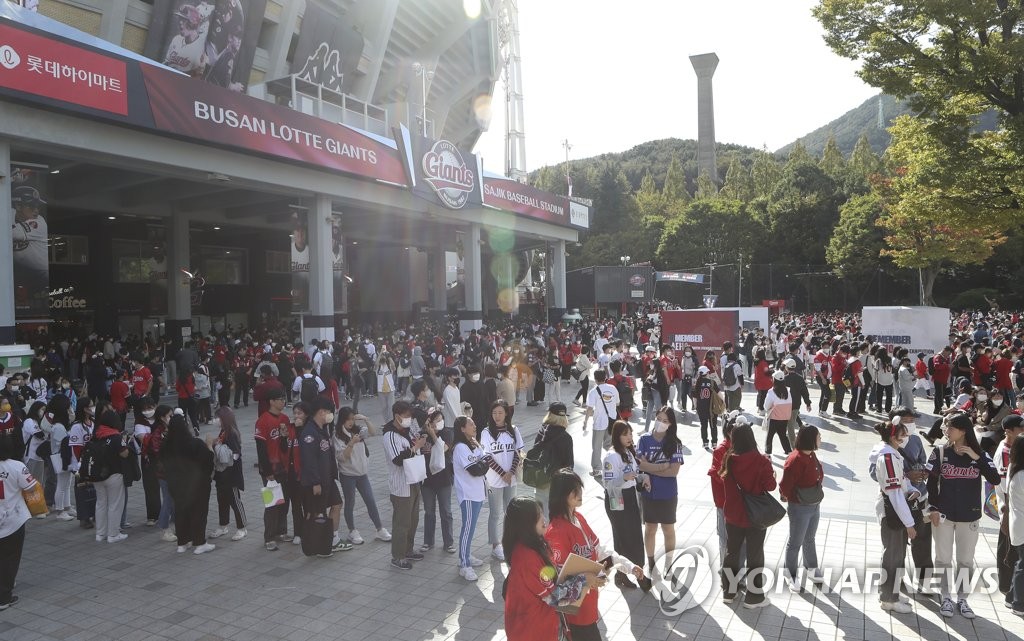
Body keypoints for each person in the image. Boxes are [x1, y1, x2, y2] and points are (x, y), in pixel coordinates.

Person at [545, 469, 643, 641]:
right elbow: (558, 583)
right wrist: (586, 579)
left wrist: (628, 566)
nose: (580, 493)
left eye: (580, 488)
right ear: (562, 495)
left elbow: (599, 551)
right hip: (574, 614)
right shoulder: (556, 532)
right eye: (574, 490)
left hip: (588, 607)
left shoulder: (579, 518)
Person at [927, 412, 1001, 618]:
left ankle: (963, 599)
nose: (946, 431)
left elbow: (995, 479)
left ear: (963, 431)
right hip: (943, 514)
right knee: (943, 558)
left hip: (970, 516)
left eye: (950, 428)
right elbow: (931, 483)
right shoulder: (940, 452)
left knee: (966, 560)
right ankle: (945, 597)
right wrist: (932, 508)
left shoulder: (981, 455)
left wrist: (976, 457)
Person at [503, 496, 608, 641]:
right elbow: (554, 597)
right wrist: (584, 580)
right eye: (538, 516)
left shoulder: (534, 546)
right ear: (526, 523)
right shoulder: (527, 557)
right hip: (532, 632)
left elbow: (552, 579)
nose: (544, 518)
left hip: (542, 627)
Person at [719, 422, 776, 608]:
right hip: (755, 518)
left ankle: (729, 592)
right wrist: (772, 474)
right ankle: (754, 597)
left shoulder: (729, 458)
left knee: (732, 553)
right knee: (755, 556)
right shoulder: (761, 461)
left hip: (733, 515)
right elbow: (771, 486)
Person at [871, 416, 918, 614]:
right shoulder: (888, 457)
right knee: (892, 555)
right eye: (901, 436)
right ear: (892, 438)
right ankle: (888, 598)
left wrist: (912, 489)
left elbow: (901, 485)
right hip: (893, 511)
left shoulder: (893, 455)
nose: (905, 438)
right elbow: (895, 493)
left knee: (897, 555)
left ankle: (893, 592)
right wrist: (909, 523)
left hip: (896, 509)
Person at [298, 397, 351, 555]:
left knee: (337, 504)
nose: (331, 415)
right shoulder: (309, 433)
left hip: (328, 479)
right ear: (322, 412)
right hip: (316, 482)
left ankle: (333, 539)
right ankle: (317, 544)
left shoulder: (322, 429)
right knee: (317, 513)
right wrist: (315, 482)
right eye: (330, 412)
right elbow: (309, 460)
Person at [602, 420, 651, 590]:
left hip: (630, 497)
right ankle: (627, 575)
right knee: (623, 537)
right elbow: (608, 484)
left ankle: (630, 573)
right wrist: (624, 478)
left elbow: (635, 473)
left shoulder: (629, 453)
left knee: (635, 536)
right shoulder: (611, 456)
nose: (629, 437)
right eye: (625, 434)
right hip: (616, 498)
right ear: (617, 436)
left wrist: (643, 478)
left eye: (630, 433)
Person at [636, 406, 683, 576]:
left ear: (670, 424)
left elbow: (674, 471)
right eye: (659, 419)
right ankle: (651, 562)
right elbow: (639, 464)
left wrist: (650, 467)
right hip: (649, 492)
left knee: (668, 529)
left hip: (668, 493)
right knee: (650, 528)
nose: (661, 423)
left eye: (665, 421)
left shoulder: (675, 443)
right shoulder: (644, 440)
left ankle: (669, 563)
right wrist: (662, 466)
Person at [334, 407, 390, 545]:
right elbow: (342, 457)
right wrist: (351, 443)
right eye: (348, 419)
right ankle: (352, 531)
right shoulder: (337, 435)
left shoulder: (357, 430)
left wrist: (365, 419)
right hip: (348, 475)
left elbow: (372, 432)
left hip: (362, 473)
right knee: (350, 502)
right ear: (342, 419)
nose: (351, 422)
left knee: (370, 500)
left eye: (353, 418)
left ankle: (380, 529)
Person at [162, 411, 216, 554]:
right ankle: (200, 543)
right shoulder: (195, 444)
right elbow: (208, 462)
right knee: (199, 512)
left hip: (176, 486)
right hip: (197, 486)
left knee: (181, 512)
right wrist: (210, 446)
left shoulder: (166, 446)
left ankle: (182, 542)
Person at [383, 400, 428, 570]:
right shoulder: (390, 435)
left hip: (414, 479)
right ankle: (398, 556)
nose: (409, 419)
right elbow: (397, 459)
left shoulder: (406, 431)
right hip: (401, 484)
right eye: (406, 416)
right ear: (397, 416)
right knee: (402, 522)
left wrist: (417, 441)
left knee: (413, 520)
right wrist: (416, 447)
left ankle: (408, 550)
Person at [779, 425, 825, 591]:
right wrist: (786, 496)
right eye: (819, 436)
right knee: (795, 542)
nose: (821, 439)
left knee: (809, 538)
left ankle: (811, 568)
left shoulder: (811, 455)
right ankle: (789, 573)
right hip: (800, 507)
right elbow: (785, 485)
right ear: (810, 439)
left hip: (814, 504)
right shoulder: (795, 459)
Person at [254, 389, 302, 551]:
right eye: (280, 399)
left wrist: (283, 436)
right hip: (269, 471)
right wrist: (267, 472)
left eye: (284, 399)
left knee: (284, 502)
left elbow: (284, 446)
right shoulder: (262, 421)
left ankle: (281, 531)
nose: (283, 402)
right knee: (271, 504)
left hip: (284, 469)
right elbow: (260, 449)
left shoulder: (285, 419)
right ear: (271, 402)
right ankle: (269, 537)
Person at [481, 399, 523, 562]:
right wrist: (502, 473)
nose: (497, 416)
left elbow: (518, 452)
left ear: (506, 413)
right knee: (495, 513)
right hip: (494, 479)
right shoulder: (486, 432)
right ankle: (495, 545)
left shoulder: (513, 430)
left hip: (510, 479)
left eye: (500, 412)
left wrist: (510, 472)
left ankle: (510, 542)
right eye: (494, 413)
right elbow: (486, 456)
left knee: (511, 512)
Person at [0, 432, 38, 610]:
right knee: (11, 557)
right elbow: (31, 487)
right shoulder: (16, 466)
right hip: (13, 519)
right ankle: (4, 595)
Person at [452, 415, 489, 581]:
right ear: (462, 429)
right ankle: (464, 564)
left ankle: (466, 555)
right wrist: (482, 464)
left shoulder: (474, 444)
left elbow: (485, 462)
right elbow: (475, 470)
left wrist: (482, 464)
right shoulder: (460, 448)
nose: (475, 426)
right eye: (471, 424)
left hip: (478, 492)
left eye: (474, 423)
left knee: (471, 527)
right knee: (467, 528)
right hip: (467, 494)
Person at [996, 414, 1024, 602]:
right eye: (1021, 429)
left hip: (1013, 510)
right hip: (1009, 509)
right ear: (1009, 432)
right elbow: (1006, 487)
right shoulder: (1008, 453)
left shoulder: (1014, 451)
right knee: (1009, 553)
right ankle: (1008, 589)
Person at [90, 410, 130, 544]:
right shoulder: (116, 436)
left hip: (96, 474)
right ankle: (113, 534)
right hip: (113, 474)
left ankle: (100, 534)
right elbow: (125, 454)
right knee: (115, 504)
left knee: (100, 503)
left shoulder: (95, 434)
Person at [419, 408, 455, 554]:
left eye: (440, 420)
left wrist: (433, 434)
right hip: (427, 480)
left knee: (446, 512)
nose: (438, 423)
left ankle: (449, 543)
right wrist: (425, 432)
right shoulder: (422, 435)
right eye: (435, 421)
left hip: (444, 479)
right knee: (429, 512)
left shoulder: (448, 432)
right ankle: (428, 541)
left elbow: (443, 448)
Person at [209, 406, 247, 542]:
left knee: (235, 501)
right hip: (221, 474)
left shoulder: (231, 433)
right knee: (222, 500)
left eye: (217, 417)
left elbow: (236, 453)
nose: (215, 420)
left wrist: (224, 456)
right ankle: (223, 525)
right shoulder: (224, 431)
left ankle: (242, 528)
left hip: (231, 474)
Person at [531, 402, 575, 509]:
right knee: (555, 515)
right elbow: (569, 464)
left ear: (549, 415)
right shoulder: (566, 438)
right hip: (557, 483)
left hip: (540, 479)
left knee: (540, 514)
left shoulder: (542, 432)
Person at [582, 370, 618, 478]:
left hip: (599, 422)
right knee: (609, 444)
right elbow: (618, 402)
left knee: (596, 447)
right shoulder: (613, 388)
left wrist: (585, 421)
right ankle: (617, 462)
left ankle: (597, 469)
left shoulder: (593, 391)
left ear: (595, 379)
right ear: (606, 377)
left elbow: (589, 408)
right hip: (612, 421)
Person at [1006, 434, 1024, 616]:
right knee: (1022, 565)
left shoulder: (1014, 467)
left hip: (1018, 525)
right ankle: (1019, 605)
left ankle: (1011, 597)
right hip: (1022, 526)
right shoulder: (1022, 475)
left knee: (1021, 563)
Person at [762, 371, 793, 456]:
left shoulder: (771, 392)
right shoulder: (788, 390)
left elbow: (766, 406)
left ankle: (767, 453)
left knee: (769, 436)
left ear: (774, 380)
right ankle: (788, 451)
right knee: (783, 435)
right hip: (785, 417)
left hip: (774, 418)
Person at [692, 365, 719, 450]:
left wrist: (696, 406)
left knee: (703, 425)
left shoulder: (697, 384)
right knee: (713, 425)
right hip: (712, 408)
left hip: (701, 408)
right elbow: (719, 394)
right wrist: (723, 403)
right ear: (707, 373)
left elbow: (694, 397)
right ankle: (714, 443)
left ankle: (705, 443)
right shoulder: (712, 382)